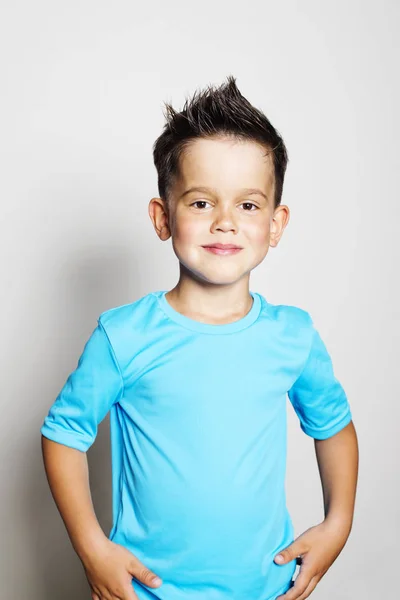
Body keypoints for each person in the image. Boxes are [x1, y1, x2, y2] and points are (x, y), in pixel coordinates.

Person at [40, 75, 359, 600]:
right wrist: (92, 548)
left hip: (264, 589)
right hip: (146, 593)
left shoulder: (292, 336)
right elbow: (63, 435)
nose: (226, 223)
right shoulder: (123, 336)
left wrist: (338, 525)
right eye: (202, 203)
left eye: (249, 205)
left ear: (276, 224)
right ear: (163, 217)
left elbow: (334, 426)